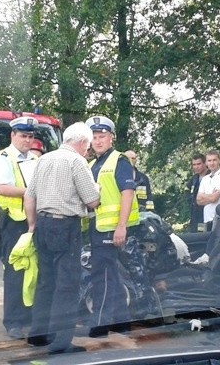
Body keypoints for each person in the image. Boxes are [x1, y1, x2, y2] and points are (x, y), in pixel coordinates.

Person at [24, 122, 100, 354]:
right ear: (82, 143)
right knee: (67, 285)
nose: (87, 151)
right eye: (87, 147)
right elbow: (92, 200)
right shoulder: (77, 162)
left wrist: (32, 226)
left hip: (43, 224)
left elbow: (29, 196)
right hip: (65, 225)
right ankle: (60, 343)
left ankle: (38, 334)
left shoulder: (44, 160)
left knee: (46, 281)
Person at [85, 115, 139, 338]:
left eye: (102, 136)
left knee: (102, 275)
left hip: (112, 228)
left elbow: (128, 193)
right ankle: (121, 322)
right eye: (94, 137)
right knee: (113, 276)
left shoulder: (119, 161)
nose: (98, 141)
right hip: (98, 227)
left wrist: (121, 226)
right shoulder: (91, 164)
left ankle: (100, 323)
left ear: (111, 138)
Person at [0, 116, 39, 340]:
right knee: (14, 272)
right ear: (13, 135)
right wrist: (31, 192)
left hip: (33, 221)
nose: (27, 140)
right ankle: (13, 321)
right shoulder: (3, 157)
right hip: (12, 222)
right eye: (23, 136)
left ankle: (28, 316)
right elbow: (2, 188)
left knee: (33, 270)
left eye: (30, 136)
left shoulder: (35, 159)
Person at [196, 150, 220, 231]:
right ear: (206, 163)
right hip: (205, 219)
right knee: (203, 241)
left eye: (214, 160)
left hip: (219, 219)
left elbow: (214, 198)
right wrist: (211, 196)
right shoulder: (205, 179)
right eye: (209, 160)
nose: (212, 163)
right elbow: (198, 200)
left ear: (219, 160)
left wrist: (205, 196)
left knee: (215, 243)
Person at [186, 153, 209, 232]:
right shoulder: (195, 178)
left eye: (199, 164)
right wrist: (191, 201)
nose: (196, 167)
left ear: (205, 163)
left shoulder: (211, 176)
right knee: (195, 234)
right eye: (194, 164)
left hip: (206, 213)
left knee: (203, 234)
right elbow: (187, 190)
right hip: (195, 213)